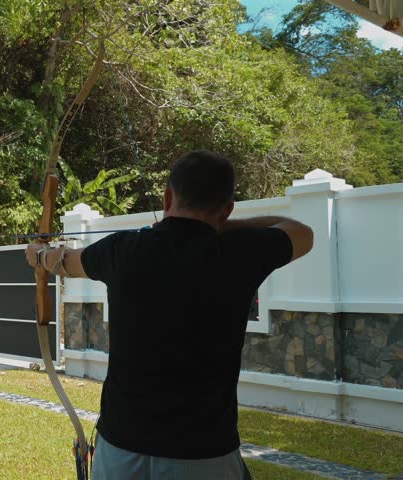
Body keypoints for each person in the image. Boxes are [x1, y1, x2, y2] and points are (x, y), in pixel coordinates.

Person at [25, 150, 314, 480]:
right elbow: (301, 232)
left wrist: (39, 255)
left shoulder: (122, 249)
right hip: (204, 455)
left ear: (167, 196)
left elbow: (64, 263)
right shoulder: (242, 251)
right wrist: (225, 226)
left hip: (121, 449)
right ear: (228, 207)